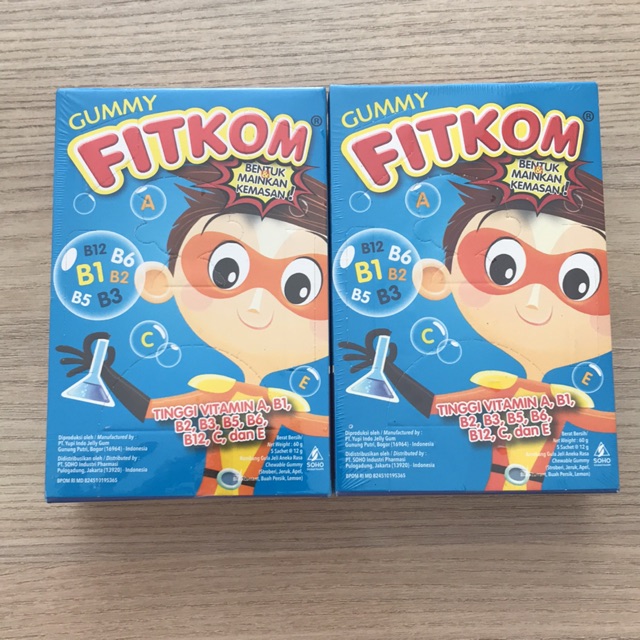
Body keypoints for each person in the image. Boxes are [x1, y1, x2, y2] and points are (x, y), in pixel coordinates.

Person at [58, 158, 329, 496]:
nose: (256, 305)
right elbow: (150, 410)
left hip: (255, 497)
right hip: (209, 490)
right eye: (225, 271)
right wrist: (106, 374)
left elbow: (326, 429)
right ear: (161, 281)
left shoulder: (281, 404)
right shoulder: (217, 393)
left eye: (300, 287)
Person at [341, 161, 615, 491]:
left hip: (533, 492)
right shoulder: (503, 389)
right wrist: (388, 369)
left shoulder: (561, 399)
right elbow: (434, 405)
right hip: (495, 488)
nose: (535, 301)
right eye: (502, 267)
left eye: (579, 282)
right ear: (438, 277)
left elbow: (606, 425)